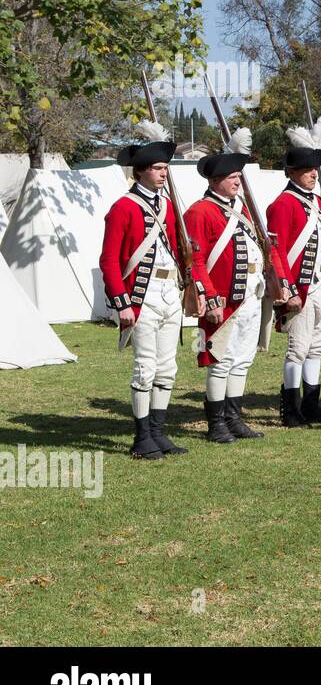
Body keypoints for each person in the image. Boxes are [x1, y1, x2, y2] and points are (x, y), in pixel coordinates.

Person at [185, 131, 292, 443]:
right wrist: (210, 295)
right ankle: (216, 423)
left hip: (251, 297)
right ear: (215, 179)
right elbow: (196, 259)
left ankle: (234, 417)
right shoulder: (199, 211)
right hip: (223, 299)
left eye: (238, 176)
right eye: (232, 177)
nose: (237, 182)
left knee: (243, 359)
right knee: (220, 359)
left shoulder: (243, 208)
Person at [99, 123, 186, 459]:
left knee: (168, 368)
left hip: (169, 293)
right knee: (145, 367)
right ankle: (141, 437)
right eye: (158, 168)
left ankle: (158, 433)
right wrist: (121, 302)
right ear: (141, 172)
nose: (165, 173)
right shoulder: (123, 207)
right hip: (141, 297)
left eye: (166, 168)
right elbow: (108, 260)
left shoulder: (168, 206)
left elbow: (177, 251)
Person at [267, 114, 321, 428]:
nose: (313, 174)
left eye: (314, 169)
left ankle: (311, 404)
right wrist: (286, 291)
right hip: (302, 287)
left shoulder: (318, 203)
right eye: (306, 170)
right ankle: (290, 408)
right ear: (292, 172)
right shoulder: (283, 204)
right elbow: (277, 252)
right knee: (297, 349)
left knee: (317, 347)